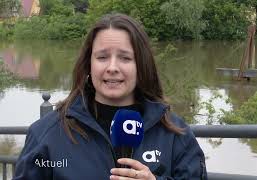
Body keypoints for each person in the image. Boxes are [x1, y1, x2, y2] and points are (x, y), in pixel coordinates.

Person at [13, 13, 207, 180]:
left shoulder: (175, 134)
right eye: (102, 57)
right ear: (89, 64)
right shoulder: (46, 134)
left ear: (141, 66)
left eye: (125, 58)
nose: (112, 68)